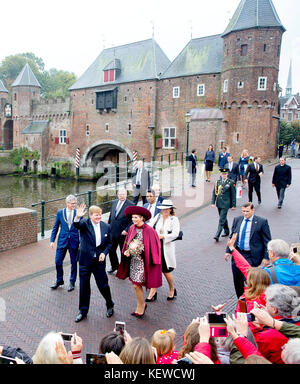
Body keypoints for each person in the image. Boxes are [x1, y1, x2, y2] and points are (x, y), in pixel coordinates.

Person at [116, 206, 162, 318]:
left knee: (137, 285)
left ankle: (141, 307)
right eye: (133, 217)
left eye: (136, 217)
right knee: (135, 285)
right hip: (133, 262)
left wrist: (142, 251)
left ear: (142, 218)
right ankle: (141, 305)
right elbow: (128, 242)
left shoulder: (150, 230)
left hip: (143, 262)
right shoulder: (132, 228)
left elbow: (155, 247)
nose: (134, 219)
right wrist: (127, 251)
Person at [73, 204, 114, 322]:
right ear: (90, 216)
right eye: (96, 215)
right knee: (84, 286)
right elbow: (77, 225)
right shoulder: (85, 224)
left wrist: (104, 253)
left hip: (99, 262)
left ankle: (110, 304)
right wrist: (77, 217)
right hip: (85, 261)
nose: (99, 217)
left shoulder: (106, 226)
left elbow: (109, 243)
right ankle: (83, 311)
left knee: (103, 285)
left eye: (100, 215)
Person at [225, 202, 272, 299]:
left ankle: (252, 301)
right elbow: (232, 236)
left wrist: (266, 257)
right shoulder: (237, 220)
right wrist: (228, 251)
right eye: (243, 211)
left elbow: (267, 241)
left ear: (253, 210)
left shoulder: (261, 222)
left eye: (247, 211)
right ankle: (241, 301)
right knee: (237, 280)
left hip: (252, 256)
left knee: (250, 280)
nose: (245, 214)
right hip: (238, 254)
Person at [250, 284, 300, 364]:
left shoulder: (264, 337)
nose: (265, 304)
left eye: (267, 302)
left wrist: (254, 326)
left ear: (274, 309)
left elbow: (252, 356)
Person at [146, 200, 180, 302]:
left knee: (166, 270)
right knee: (154, 269)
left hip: (166, 246)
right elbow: (149, 227)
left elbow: (175, 233)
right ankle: (153, 291)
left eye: (167, 208)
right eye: (163, 209)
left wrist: (164, 236)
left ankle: (172, 289)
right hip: (155, 246)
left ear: (170, 209)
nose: (165, 210)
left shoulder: (174, 219)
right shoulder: (157, 218)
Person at [50, 195, 79, 292]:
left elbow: (82, 227)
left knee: (74, 262)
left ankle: (72, 282)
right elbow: (55, 227)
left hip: (74, 241)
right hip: (62, 241)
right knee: (58, 261)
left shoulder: (78, 213)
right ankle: (59, 280)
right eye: (72, 203)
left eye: (75, 203)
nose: (74, 205)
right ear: (67, 203)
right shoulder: (60, 213)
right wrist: (52, 240)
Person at [107, 188, 134, 274]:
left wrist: (126, 230)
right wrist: (108, 227)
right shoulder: (114, 202)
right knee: (111, 250)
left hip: (123, 233)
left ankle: (124, 270)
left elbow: (132, 220)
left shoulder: (131, 205)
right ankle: (115, 266)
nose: (121, 196)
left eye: (123, 194)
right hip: (112, 231)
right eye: (120, 194)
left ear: (126, 194)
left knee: (124, 252)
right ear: (117, 194)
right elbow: (111, 215)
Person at [211, 168, 236, 242]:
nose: (224, 175)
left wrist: (233, 205)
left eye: (225, 174)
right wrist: (213, 202)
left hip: (226, 203)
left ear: (227, 174)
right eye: (222, 174)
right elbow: (214, 193)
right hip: (219, 203)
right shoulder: (218, 182)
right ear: (221, 174)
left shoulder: (230, 182)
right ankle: (227, 231)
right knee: (223, 217)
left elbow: (233, 194)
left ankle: (217, 235)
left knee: (221, 219)